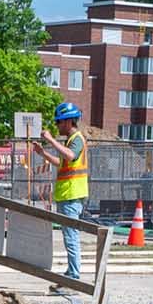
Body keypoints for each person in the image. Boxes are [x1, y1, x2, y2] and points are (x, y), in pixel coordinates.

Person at [35, 102, 90, 281]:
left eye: (59, 122)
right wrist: (43, 153)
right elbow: (61, 163)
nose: (57, 126)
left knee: (71, 236)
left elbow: (70, 156)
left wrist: (51, 140)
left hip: (72, 195)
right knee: (68, 236)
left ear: (67, 122)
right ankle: (71, 271)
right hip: (67, 195)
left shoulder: (77, 140)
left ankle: (74, 274)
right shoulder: (69, 141)